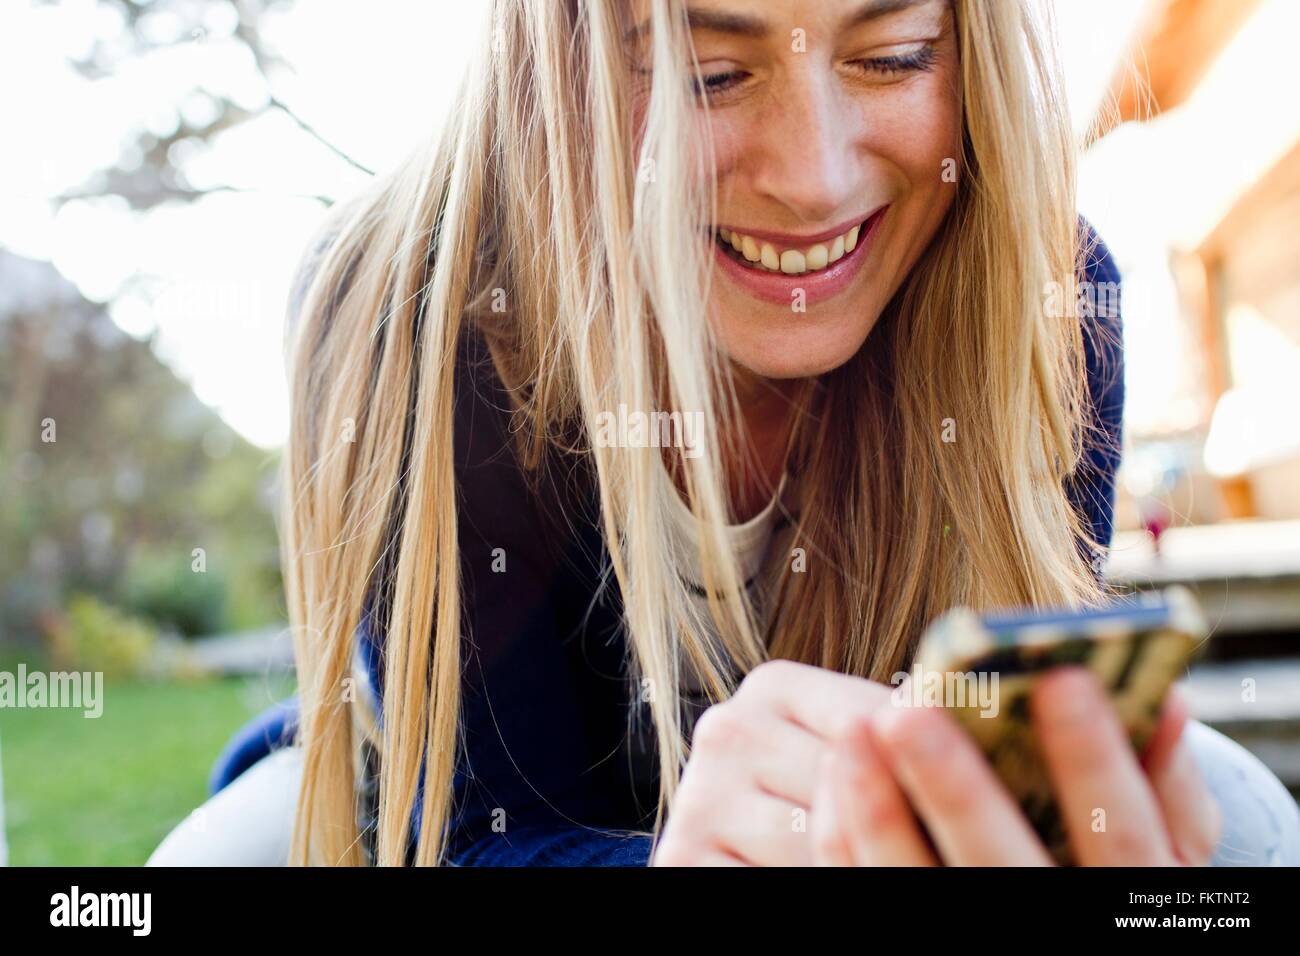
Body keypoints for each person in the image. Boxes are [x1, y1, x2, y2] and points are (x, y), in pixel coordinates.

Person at [150, 0, 1299, 867]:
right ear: (557, 66)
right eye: (711, 72)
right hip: (426, 792)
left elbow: (1013, 745)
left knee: (1236, 806)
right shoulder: (415, 298)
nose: (813, 178)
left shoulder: (1044, 295)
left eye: (891, 55)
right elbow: (479, 826)